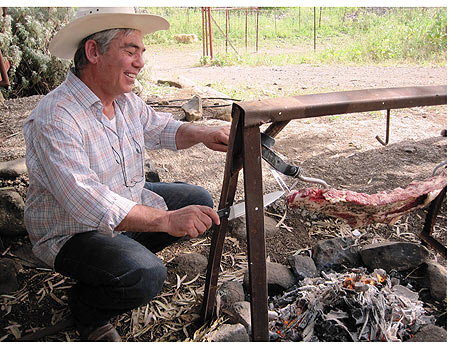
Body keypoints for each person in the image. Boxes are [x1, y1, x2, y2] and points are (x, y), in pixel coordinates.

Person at [23, 7, 230, 341]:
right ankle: (88, 310)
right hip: (72, 231)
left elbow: (159, 127)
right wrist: (165, 220)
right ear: (93, 52)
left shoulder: (124, 101)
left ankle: (120, 258)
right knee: (147, 274)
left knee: (199, 200)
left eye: (141, 52)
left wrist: (204, 132)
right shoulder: (56, 117)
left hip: (122, 201)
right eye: (130, 51)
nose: (140, 62)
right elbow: (87, 202)